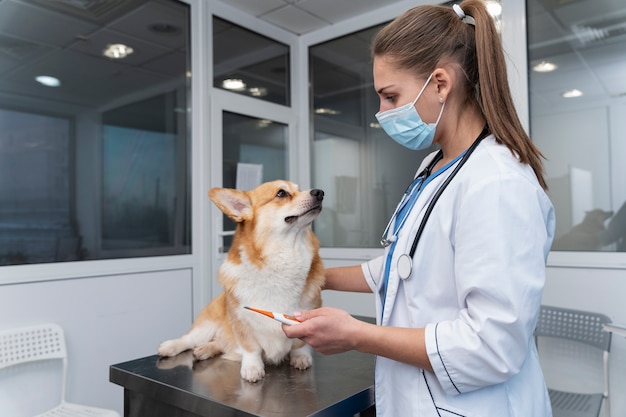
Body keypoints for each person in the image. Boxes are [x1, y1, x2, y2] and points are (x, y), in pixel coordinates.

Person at [283, 1, 556, 416]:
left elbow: (492, 346)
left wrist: (358, 335)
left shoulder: (495, 183)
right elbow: (404, 267)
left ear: (441, 83)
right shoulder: (436, 167)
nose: (382, 114)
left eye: (391, 97)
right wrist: (307, 278)